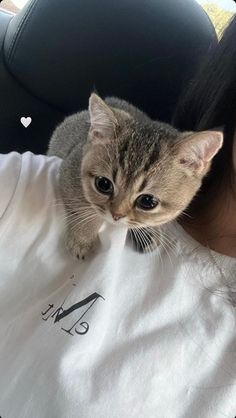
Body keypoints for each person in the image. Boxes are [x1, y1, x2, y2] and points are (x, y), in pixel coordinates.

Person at [0, 17, 236, 418]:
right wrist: (82, 222)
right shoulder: (21, 189)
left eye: (145, 204)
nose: (116, 213)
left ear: (198, 163)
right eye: (109, 191)